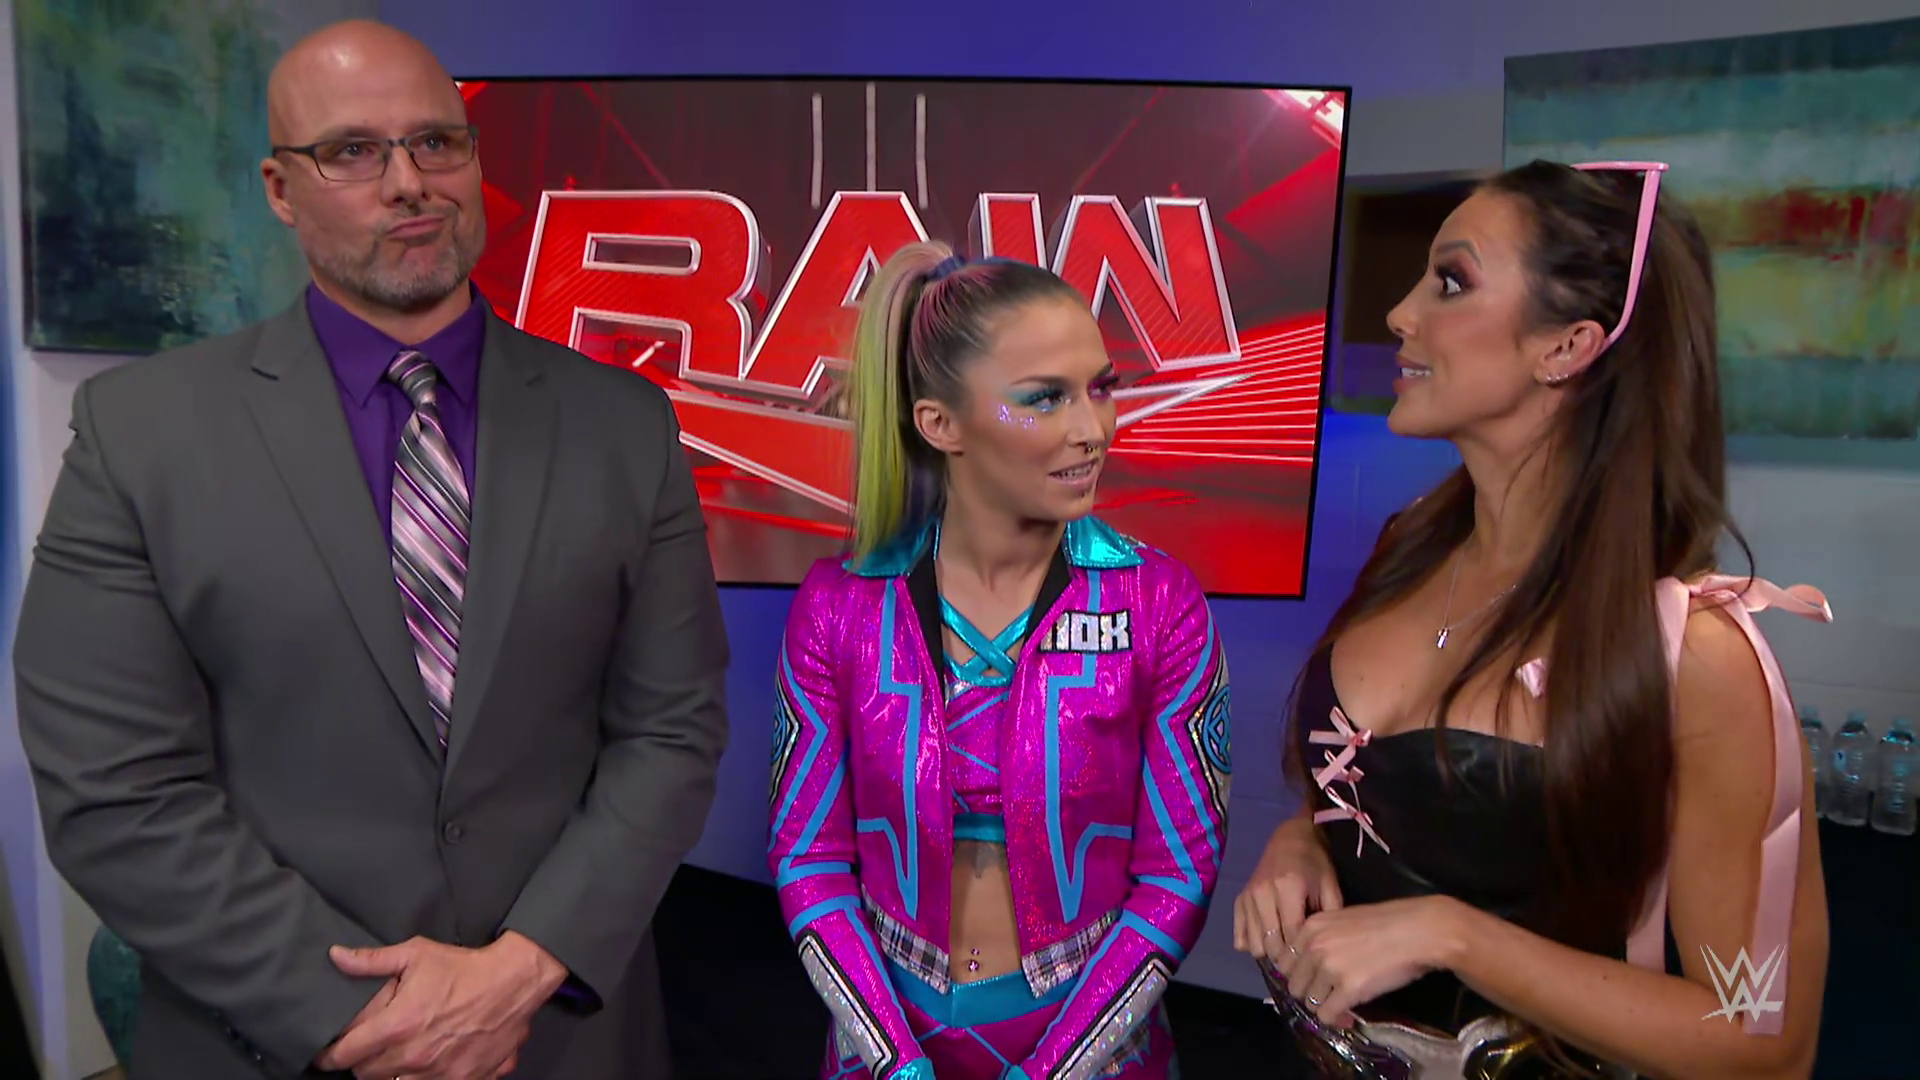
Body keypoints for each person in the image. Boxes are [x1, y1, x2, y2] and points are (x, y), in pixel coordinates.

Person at [13, 19, 729, 1080]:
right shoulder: (140, 435)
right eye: (352, 151)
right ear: (279, 188)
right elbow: (116, 788)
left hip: (556, 1033)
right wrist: (368, 1019)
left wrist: (519, 973)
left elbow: (671, 731)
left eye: (436, 142)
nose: (408, 183)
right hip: (272, 1044)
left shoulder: (625, 424)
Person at [1232, 160, 1831, 1078]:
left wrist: (1452, 936)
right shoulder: (1407, 548)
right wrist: (1302, 839)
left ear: (1568, 346)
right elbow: (1384, 802)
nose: (1400, 314)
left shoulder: (1695, 655)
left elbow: (1764, 1037)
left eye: (1451, 282)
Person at [767, 243, 1232, 1079]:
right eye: (1045, 398)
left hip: (1095, 1048)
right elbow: (810, 860)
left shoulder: (1159, 604)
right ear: (939, 424)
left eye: (1101, 388)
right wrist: (894, 1062)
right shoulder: (838, 607)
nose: (1092, 430)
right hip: (886, 1035)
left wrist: (1054, 1071)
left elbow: (1178, 875)